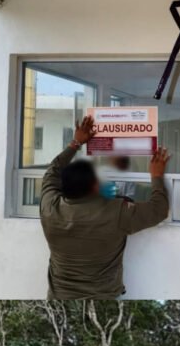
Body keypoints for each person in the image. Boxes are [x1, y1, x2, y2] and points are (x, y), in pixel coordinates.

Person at [40, 116, 171, 300]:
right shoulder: (116, 212)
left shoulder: (49, 209)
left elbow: (52, 172)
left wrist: (76, 143)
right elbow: (159, 210)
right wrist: (156, 176)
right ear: (95, 187)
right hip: (103, 298)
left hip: (58, 297)